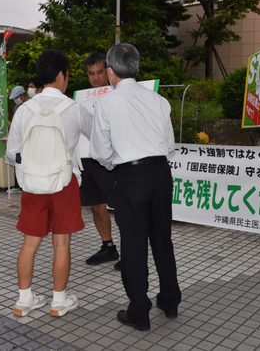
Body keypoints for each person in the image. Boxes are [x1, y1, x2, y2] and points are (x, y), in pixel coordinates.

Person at [90, 43, 181, 331]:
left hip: (131, 176)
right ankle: (169, 300)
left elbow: (101, 153)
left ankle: (138, 310)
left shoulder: (105, 103)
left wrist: (115, 165)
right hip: (160, 174)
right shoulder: (158, 100)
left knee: (133, 241)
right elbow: (169, 146)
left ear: (111, 71)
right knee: (162, 239)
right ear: (137, 68)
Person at [6, 49, 91, 317]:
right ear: (61, 75)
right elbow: (97, 140)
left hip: (32, 185)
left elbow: (12, 152)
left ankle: (24, 300)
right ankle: (58, 301)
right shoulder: (74, 108)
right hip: (64, 183)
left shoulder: (24, 110)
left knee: (29, 243)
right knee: (61, 243)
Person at [81, 52, 119, 269]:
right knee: (96, 204)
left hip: (112, 159)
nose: (95, 78)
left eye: (99, 72)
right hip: (88, 158)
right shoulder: (83, 99)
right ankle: (108, 246)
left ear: (109, 71)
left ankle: (131, 252)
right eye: (91, 73)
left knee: (122, 207)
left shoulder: (118, 95)